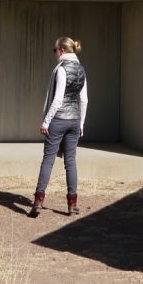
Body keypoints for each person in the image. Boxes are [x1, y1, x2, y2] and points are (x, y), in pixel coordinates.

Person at [29, 36, 88, 217]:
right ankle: (72, 204)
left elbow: (57, 99)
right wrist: (82, 124)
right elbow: (84, 100)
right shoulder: (81, 69)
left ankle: (38, 202)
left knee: (48, 160)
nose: (54, 53)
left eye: (55, 50)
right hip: (74, 120)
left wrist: (46, 121)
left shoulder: (61, 69)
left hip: (59, 120)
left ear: (62, 50)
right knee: (70, 162)